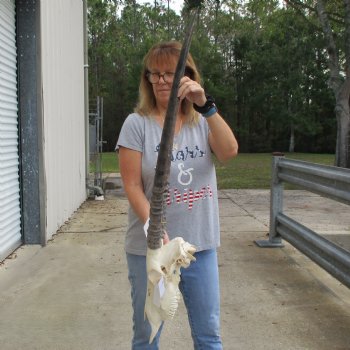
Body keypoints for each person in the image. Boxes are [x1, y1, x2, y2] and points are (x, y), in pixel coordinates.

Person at [116, 41, 238, 350]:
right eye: (154, 74)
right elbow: (131, 185)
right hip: (152, 248)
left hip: (199, 244)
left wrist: (207, 106)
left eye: (169, 73)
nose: (160, 81)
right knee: (147, 335)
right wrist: (154, 228)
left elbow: (229, 151)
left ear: (188, 76)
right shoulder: (137, 124)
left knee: (209, 335)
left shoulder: (202, 122)